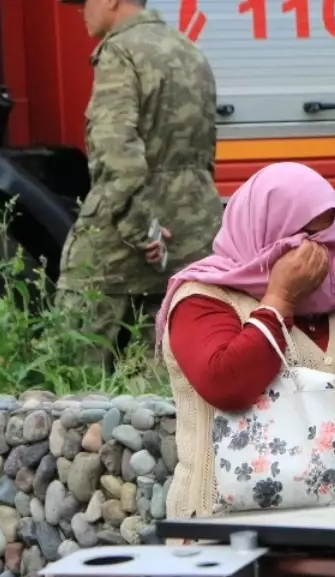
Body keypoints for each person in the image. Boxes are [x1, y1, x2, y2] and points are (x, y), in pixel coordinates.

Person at [157, 162, 335, 518]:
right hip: (230, 536)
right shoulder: (202, 298)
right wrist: (280, 299)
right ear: (264, 232)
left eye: (328, 238)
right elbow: (226, 383)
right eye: (306, 241)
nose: (319, 255)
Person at [61, 0, 221, 354]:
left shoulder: (120, 52)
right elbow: (204, 152)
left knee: (71, 368)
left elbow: (117, 152)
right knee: (163, 375)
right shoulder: (189, 50)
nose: (77, 10)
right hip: (193, 236)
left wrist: (142, 230)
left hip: (123, 250)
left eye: (82, 3)